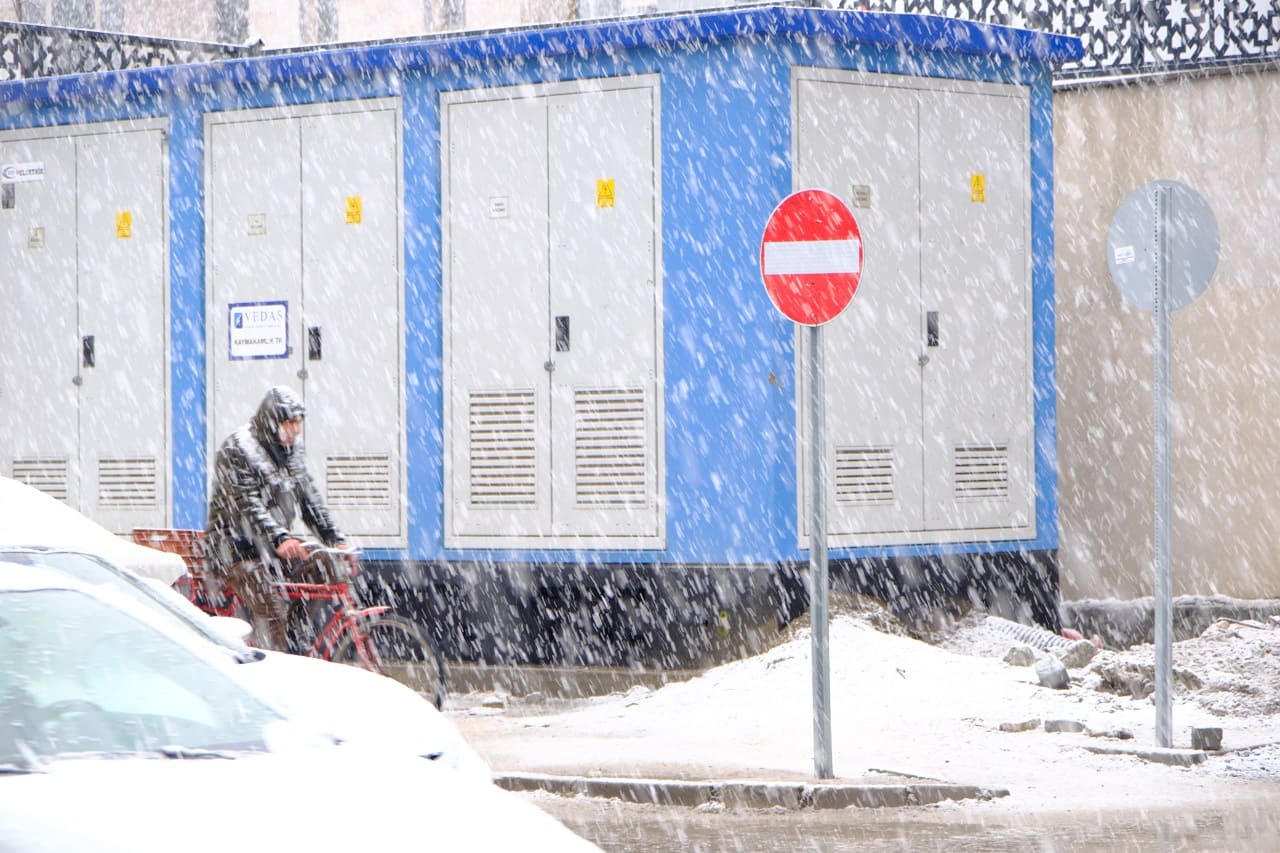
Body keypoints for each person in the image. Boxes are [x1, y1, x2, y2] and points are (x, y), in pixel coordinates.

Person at [206, 386, 355, 651]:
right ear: (273, 422)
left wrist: (335, 539)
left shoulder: (291, 452)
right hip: (236, 553)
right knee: (273, 608)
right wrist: (280, 537)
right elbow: (246, 503)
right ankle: (277, 663)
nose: (296, 430)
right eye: (290, 423)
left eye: (299, 423)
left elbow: (309, 498)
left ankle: (294, 636)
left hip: (272, 552)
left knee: (325, 564)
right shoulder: (237, 449)